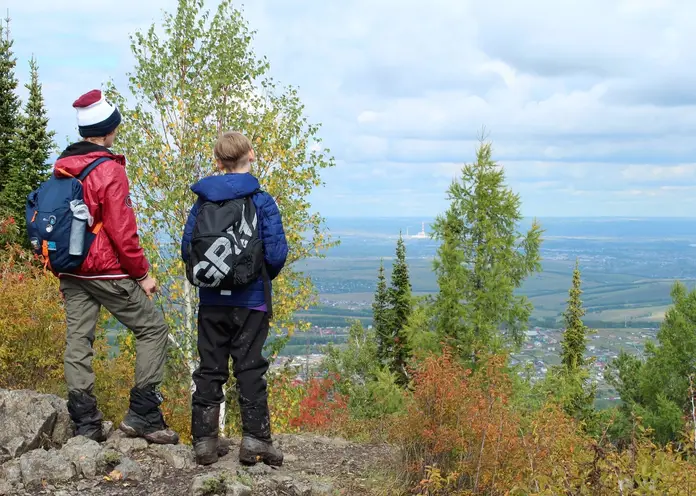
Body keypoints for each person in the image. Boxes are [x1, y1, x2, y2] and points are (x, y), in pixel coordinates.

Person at [54, 89, 178, 444]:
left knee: (79, 340)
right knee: (153, 328)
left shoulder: (63, 166)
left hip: (71, 268)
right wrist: (142, 274)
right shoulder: (109, 169)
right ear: (108, 130)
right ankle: (144, 414)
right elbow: (122, 233)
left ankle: (85, 424)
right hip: (104, 269)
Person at [181, 131, 288, 466]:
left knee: (210, 368)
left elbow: (188, 248)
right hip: (251, 300)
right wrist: (256, 275)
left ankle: (205, 443)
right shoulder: (262, 201)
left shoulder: (203, 202)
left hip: (212, 300)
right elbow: (276, 252)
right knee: (250, 368)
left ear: (218, 161)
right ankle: (255, 440)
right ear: (251, 155)